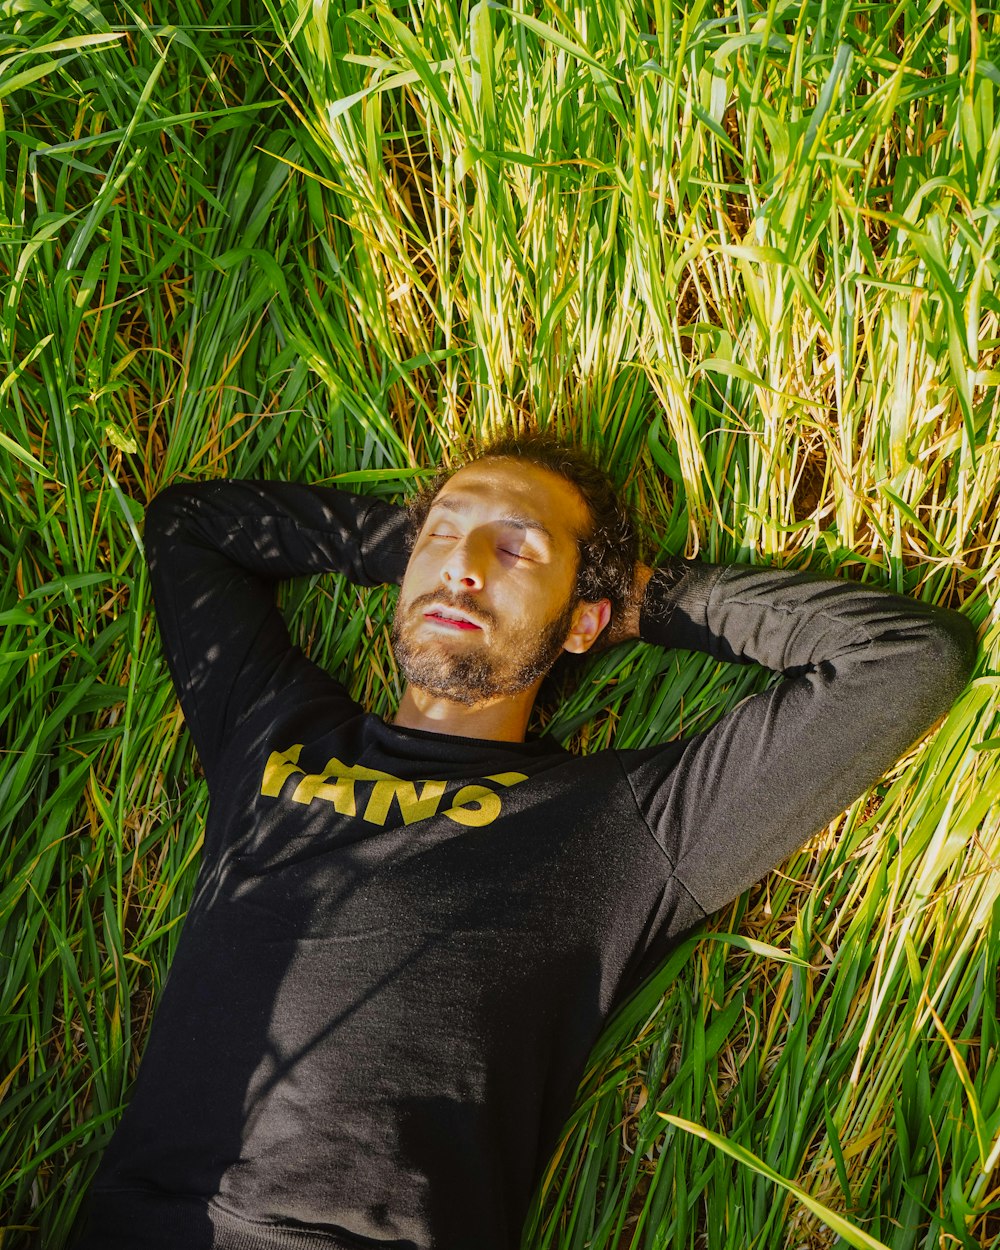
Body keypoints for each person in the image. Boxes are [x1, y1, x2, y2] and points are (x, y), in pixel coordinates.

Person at [72, 430, 976, 1250]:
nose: (463, 565)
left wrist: (642, 601)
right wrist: (416, 552)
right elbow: (191, 524)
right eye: (443, 535)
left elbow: (902, 658)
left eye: (515, 550)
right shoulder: (272, 732)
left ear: (583, 620)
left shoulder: (622, 824)